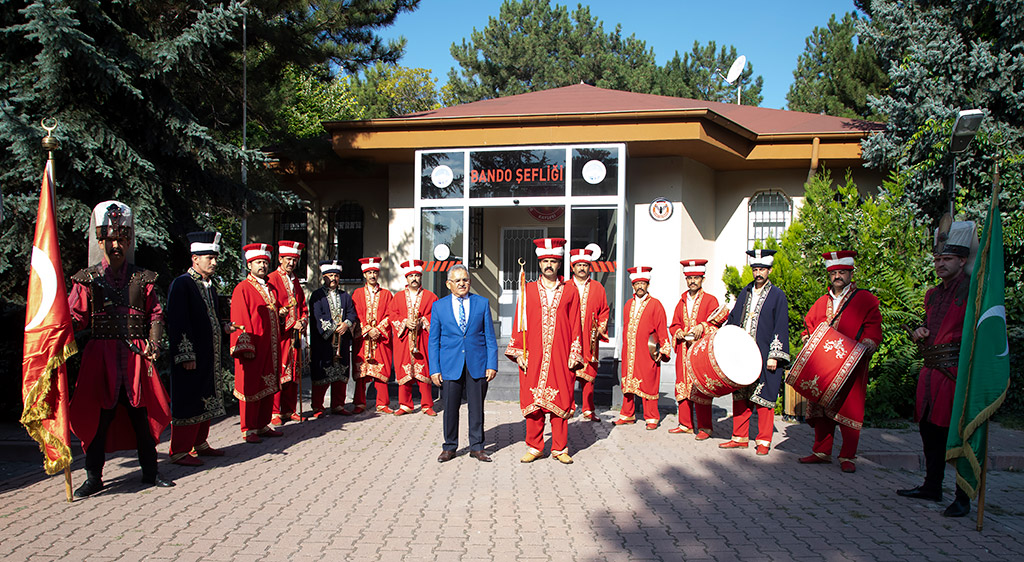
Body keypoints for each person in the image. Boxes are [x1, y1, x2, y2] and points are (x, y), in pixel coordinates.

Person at [68, 201, 174, 497]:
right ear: (100, 241)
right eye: (111, 239)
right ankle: (94, 478)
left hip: (137, 357)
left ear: (129, 240)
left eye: (122, 239)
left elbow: (155, 313)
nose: (117, 245)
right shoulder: (87, 279)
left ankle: (151, 473)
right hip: (100, 357)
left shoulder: (143, 278)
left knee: (141, 418)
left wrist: (154, 343)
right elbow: (75, 316)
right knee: (99, 422)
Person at [897, 221, 977, 518]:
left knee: (957, 436)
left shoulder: (973, 292)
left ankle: (963, 497)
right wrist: (919, 331)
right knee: (929, 434)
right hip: (931, 374)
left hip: (956, 376)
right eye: (937, 260)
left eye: (947, 259)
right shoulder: (932, 294)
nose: (940, 264)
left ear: (962, 261)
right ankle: (932, 486)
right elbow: (933, 329)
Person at [797, 251, 882, 473]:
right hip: (823, 366)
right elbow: (809, 326)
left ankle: (848, 456)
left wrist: (869, 343)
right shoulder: (821, 302)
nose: (838, 276)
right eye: (834, 272)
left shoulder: (865, 299)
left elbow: (873, 324)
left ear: (851, 273)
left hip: (850, 364)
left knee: (849, 408)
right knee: (820, 406)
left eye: (842, 272)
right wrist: (807, 338)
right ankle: (821, 452)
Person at [506, 238, 584, 464]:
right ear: (539, 263)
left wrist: (574, 351)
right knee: (534, 403)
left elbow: (575, 323)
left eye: (553, 261)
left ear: (559, 264)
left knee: (560, 400)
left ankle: (560, 448)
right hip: (534, 354)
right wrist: (519, 351)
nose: (549, 264)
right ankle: (535, 446)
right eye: (545, 261)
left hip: (560, 355)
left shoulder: (570, 292)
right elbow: (520, 322)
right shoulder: (528, 289)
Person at [165, 231, 233, 466]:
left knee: (207, 397)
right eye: (209, 258)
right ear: (195, 258)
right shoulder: (182, 284)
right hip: (191, 356)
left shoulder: (209, 287)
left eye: (215, 258)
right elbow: (178, 321)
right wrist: (186, 353)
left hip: (208, 354)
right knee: (189, 400)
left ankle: (200, 442)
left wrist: (224, 329)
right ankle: (180, 450)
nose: (214, 263)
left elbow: (210, 318)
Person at [720, 249, 790, 455]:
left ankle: (763, 441)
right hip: (742, 355)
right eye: (755, 269)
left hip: (764, 354)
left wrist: (775, 356)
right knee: (740, 395)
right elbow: (733, 318)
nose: (758, 273)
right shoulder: (745, 292)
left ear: (769, 270)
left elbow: (780, 326)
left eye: (762, 269)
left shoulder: (777, 296)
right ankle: (739, 437)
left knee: (764, 398)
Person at [429, 264, 498, 462]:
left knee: (476, 408)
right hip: (450, 364)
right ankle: (449, 447)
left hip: (477, 363)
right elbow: (433, 341)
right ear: (448, 284)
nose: (462, 283)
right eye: (457, 280)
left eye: (465, 280)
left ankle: (477, 447)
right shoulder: (439, 306)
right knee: (450, 408)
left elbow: (490, 338)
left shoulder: (482, 303)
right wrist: (434, 369)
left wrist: (492, 364)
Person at [230, 243, 283, 443]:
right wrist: (245, 346)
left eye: (264, 262)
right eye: (258, 262)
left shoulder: (270, 288)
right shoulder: (242, 288)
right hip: (253, 345)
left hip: (270, 345)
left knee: (268, 383)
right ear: (249, 264)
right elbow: (240, 318)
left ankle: (262, 424)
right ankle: (248, 428)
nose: (262, 266)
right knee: (250, 386)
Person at [668, 259, 727, 439]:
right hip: (684, 351)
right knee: (683, 386)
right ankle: (685, 423)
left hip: (700, 352)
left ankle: (705, 427)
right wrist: (677, 331)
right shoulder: (681, 301)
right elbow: (674, 323)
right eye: (689, 278)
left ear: (703, 279)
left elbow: (717, 323)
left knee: (701, 386)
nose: (692, 281)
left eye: (696, 278)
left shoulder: (710, 300)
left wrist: (703, 325)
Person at [614, 266, 671, 430]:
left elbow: (661, 328)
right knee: (628, 383)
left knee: (649, 382)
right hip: (630, 350)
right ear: (632, 285)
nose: (640, 286)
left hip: (648, 351)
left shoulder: (655, 304)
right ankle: (627, 414)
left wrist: (663, 349)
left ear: (648, 284)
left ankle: (652, 417)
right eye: (637, 283)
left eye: (643, 283)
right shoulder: (628, 304)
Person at [308, 260, 358, 418]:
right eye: (330, 276)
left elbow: (352, 313)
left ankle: (338, 404)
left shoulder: (345, 296)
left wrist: (346, 324)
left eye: (336, 275)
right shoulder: (317, 296)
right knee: (321, 373)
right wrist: (333, 327)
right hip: (323, 342)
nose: (333, 279)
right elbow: (317, 316)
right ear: (324, 277)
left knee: (341, 373)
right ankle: (318, 406)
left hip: (342, 341)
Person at [389, 259, 438, 416]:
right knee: (404, 371)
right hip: (404, 341)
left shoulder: (431, 297)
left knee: (424, 370)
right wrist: (405, 322)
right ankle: (405, 404)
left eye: (417, 275)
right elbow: (392, 315)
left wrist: (422, 321)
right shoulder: (397, 297)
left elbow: (434, 316)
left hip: (422, 338)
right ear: (406, 278)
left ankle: (427, 405)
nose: (414, 278)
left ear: (421, 276)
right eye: (411, 276)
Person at [267, 240, 308, 425]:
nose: (291, 263)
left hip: (295, 336)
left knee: (294, 373)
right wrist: (291, 323)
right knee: (280, 371)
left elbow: (303, 307)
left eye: (294, 260)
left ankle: (289, 409)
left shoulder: (296, 281)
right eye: (288, 259)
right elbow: (272, 308)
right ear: (280, 258)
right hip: (282, 335)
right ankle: (274, 411)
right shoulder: (272, 279)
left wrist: (303, 321)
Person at [568, 244, 610, 422]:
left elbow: (604, 311)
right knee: (568, 373)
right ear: (573, 267)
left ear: (589, 267)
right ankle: (568, 406)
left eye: (585, 265)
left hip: (590, 337)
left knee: (589, 375)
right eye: (578, 265)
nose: (582, 268)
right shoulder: (565, 286)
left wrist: (601, 327)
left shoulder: (598, 287)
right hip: (569, 337)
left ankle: (588, 409)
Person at [351, 256, 394, 414]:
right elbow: (354, 315)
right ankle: (359, 402)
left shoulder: (387, 294)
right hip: (363, 339)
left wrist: (379, 329)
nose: (372, 275)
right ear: (364, 275)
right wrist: (368, 329)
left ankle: (382, 403)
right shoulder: (357, 293)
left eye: (375, 272)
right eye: (369, 272)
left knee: (381, 371)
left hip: (380, 340)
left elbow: (391, 315)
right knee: (361, 370)